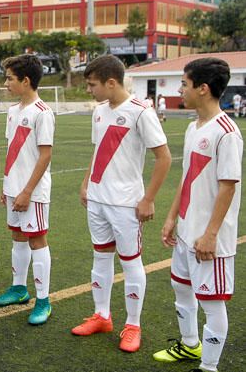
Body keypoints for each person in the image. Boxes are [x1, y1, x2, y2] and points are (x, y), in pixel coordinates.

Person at [72, 55, 172, 353]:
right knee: (100, 257)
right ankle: (102, 316)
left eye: (92, 85)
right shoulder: (100, 111)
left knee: (130, 263)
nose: (89, 90)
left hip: (126, 203)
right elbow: (98, 150)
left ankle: (133, 325)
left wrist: (148, 199)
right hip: (98, 199)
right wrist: (87, 181)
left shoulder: (141, 112)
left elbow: (163, 157)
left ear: (111, 82)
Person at [153, 58, 242, 372]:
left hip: (209, 238)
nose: (180, 89)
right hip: (186, 230)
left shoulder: (226, 132)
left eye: (184, 84)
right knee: (181, 287)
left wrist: (211, 234)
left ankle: (209, 367)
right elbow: (187, 176)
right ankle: (190, 345)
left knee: (212, 301)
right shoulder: (194, 127)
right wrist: (171, 217)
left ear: (203, 89)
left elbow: (228, 187)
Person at [0, 55, 55, 326]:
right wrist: (7, 184)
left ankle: (43, 300)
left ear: (26, 81)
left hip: (33, 191)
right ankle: (18, 288)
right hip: (14, 187)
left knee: (36, 238)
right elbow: (12, 151)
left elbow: (45, 155)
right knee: (17, 236)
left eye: (10, 79)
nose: (6, 83)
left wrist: (27, 190)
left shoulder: (42, 112)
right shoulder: (13, 111)